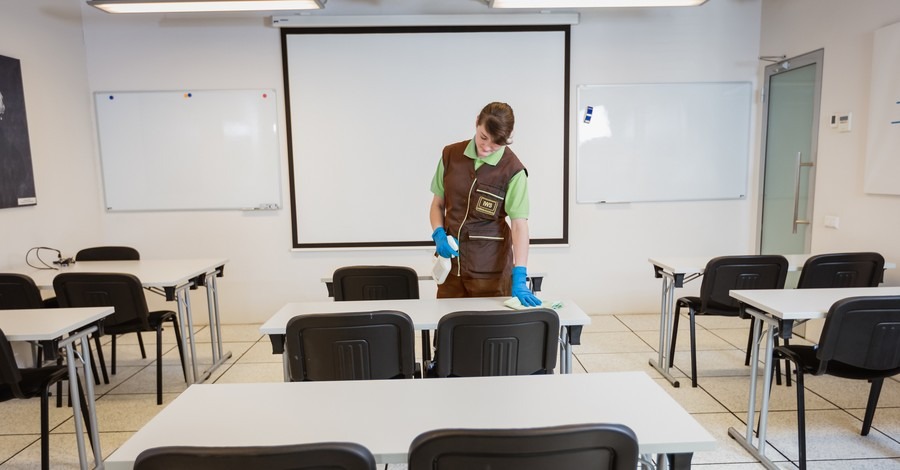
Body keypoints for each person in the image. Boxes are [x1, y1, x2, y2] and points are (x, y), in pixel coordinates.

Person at [429, 102, 541, 307]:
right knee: (448, 324)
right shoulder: (450, 155)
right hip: (450, 269)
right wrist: (438, 233)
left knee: (487, 326)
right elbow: (437, 204)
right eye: (483, 137)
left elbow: (519, 225)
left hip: (491, 274)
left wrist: (519, 274)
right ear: (476, 123)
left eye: (496, 143)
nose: (487, 147)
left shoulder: (513, 170)